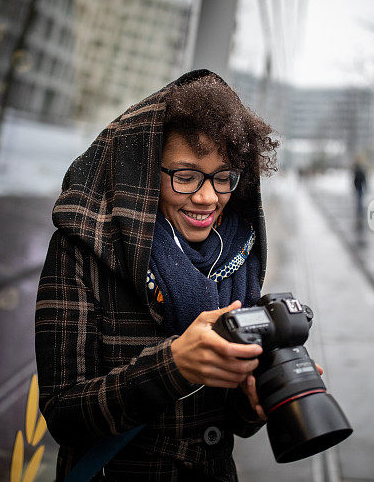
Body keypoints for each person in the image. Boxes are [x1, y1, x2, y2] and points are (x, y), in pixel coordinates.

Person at [35, 70, 279, 481]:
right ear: (145, 175)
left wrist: (255, 403)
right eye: (185, 176)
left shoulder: (238, 254)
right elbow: (64, 413)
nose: (207, 197)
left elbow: (230, 423)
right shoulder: (82, 249)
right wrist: (173, 367)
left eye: (223, 177)